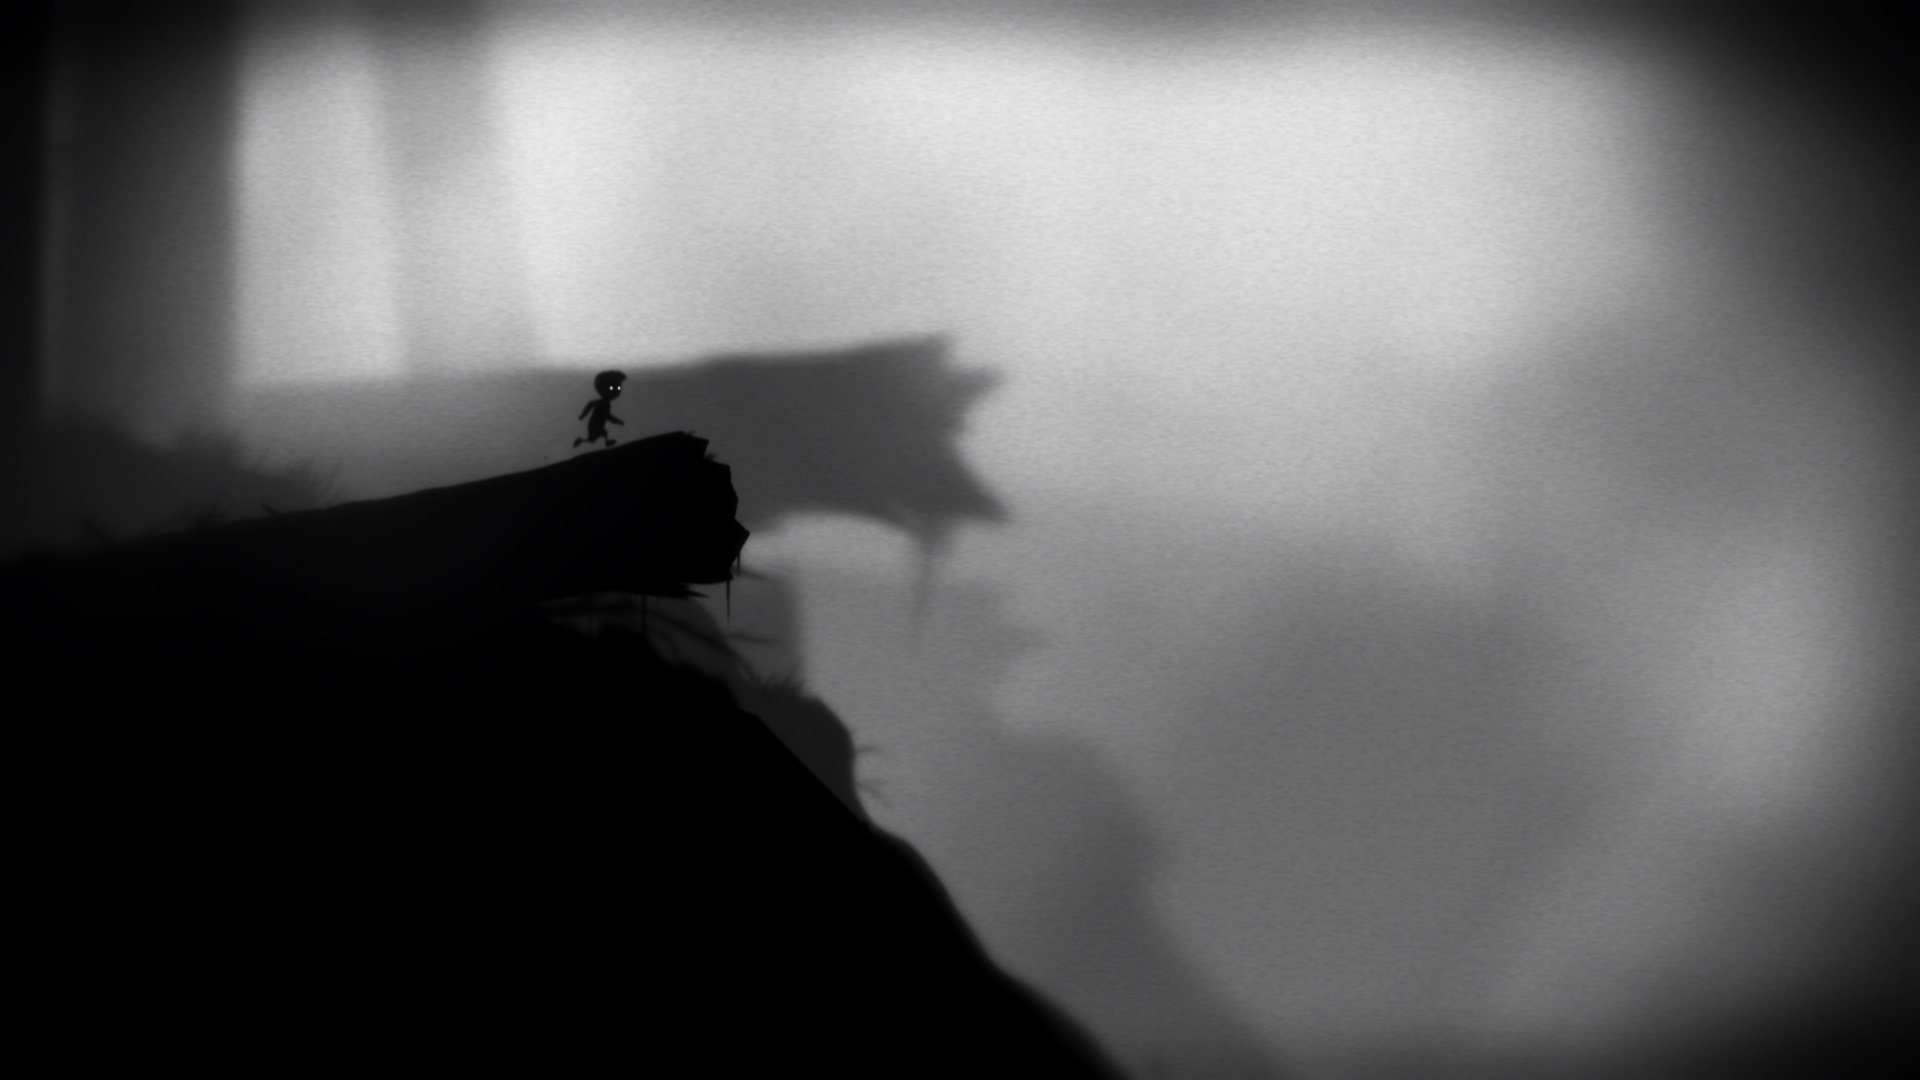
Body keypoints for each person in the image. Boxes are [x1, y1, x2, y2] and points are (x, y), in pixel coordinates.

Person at [574, 369, 627, 447]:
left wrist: (618, 421)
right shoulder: (603, 403)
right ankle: (581, 440)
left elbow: (607, 415)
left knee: (602, 434)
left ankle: (606, 442)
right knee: (593, 438)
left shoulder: (606, 403)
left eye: (618, 388)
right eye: (612, 388)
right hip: (595, 424)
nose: (616, 391)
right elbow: (591, 405)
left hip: (599, 424)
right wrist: (583, 415)